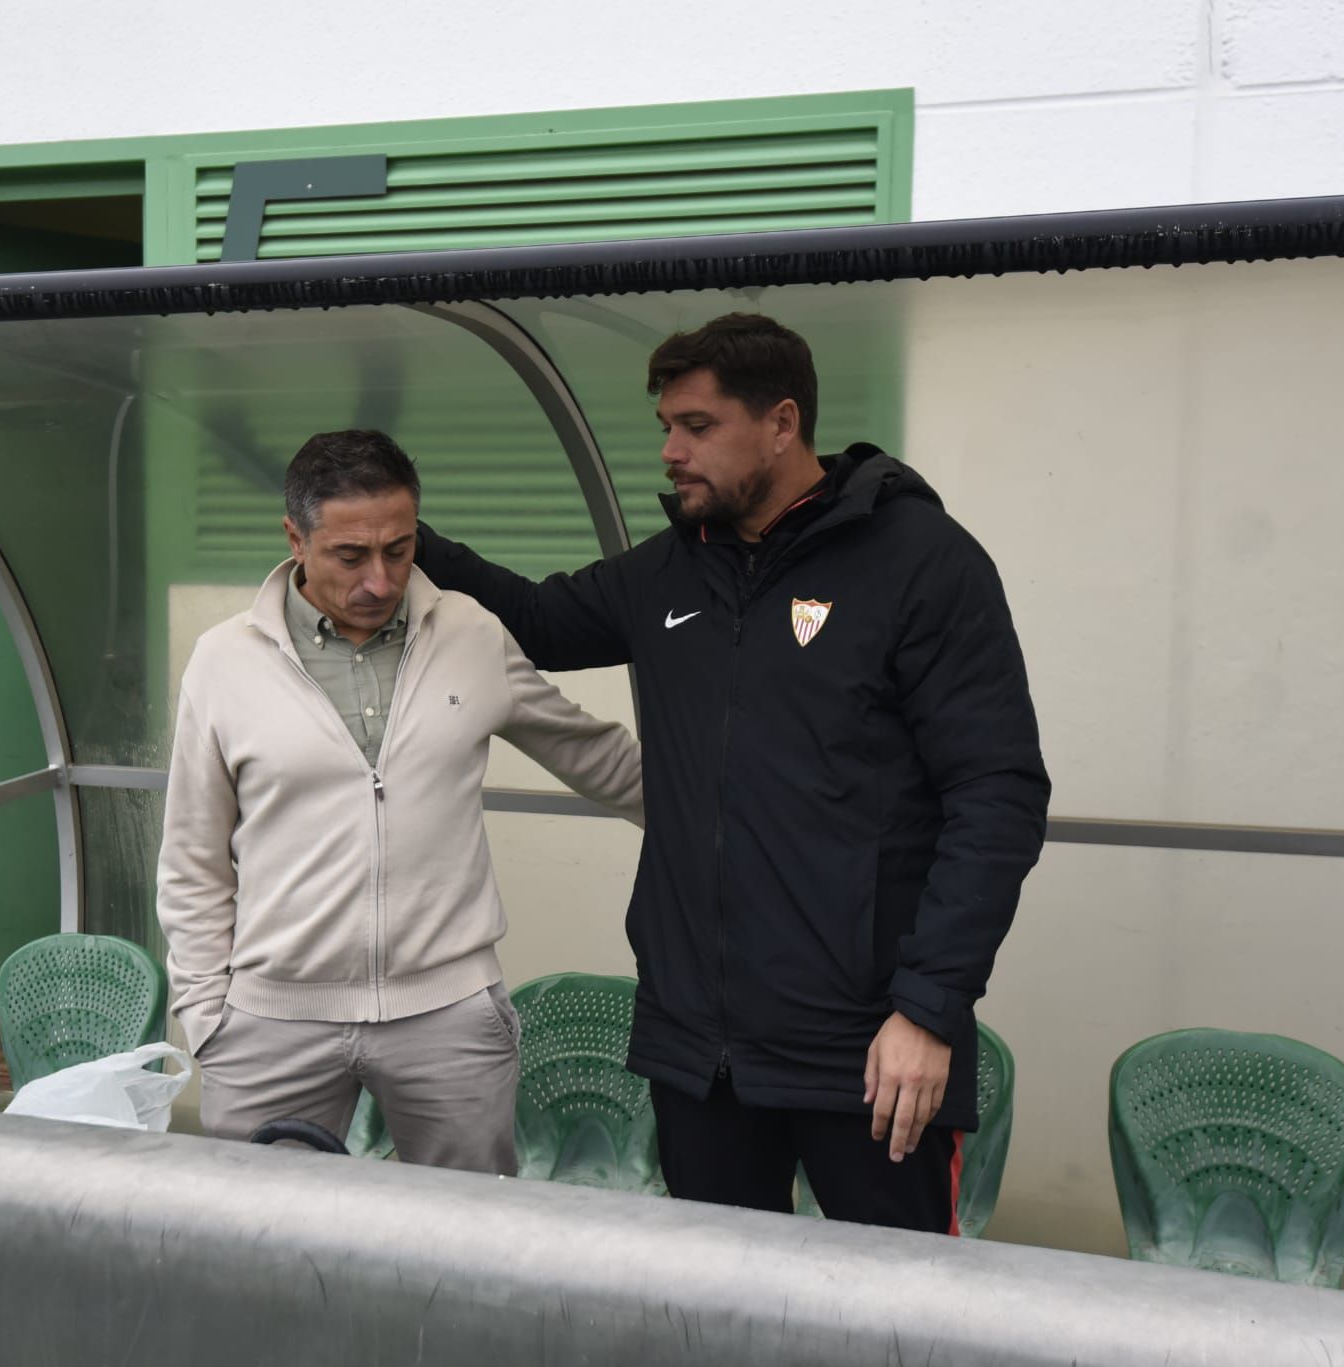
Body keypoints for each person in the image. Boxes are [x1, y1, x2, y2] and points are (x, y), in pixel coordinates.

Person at [416, 313, 1049, 1231]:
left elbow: (998, 794)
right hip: (699, 1055)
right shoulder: (674, 569)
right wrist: (399, 531)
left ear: (782, 423)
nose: (670, 451)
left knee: (897, 1303)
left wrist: (928, 1009)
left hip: (868, 1052)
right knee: (714, 1300)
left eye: (697, 426)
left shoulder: (922, 562)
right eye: (666, 426)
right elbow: (539, 620)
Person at [157, 429, 643, 1174]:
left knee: (465, 1232)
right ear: (295, 539)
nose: (381, 580)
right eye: (351, 556)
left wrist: (747, 814)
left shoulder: (472, 634)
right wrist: (206, 1017)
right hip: (271, 1023)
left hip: (449, 1020)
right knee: (258, 1233)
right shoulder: (224, 661)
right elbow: (193, 856)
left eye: (400, 549)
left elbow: (598, 757)